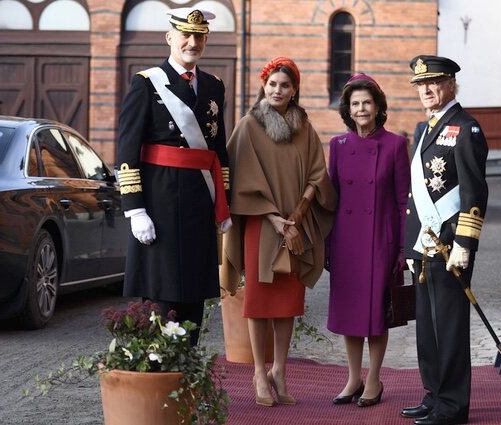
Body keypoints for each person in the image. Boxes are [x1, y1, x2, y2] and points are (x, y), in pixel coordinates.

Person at [221, 56, 336, 407]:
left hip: (295, 226)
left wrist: (299, 213)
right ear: (264, 85)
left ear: (294, 90)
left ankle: (280, 371)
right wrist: (274, 219)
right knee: (258, 301)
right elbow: (239, 179)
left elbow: (318, 173)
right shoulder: (248, 126)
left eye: (285, 85)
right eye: (272, 84)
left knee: (288, 302)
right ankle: (258, 371)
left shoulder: (305, 128)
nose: (278, 90)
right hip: (261, 224)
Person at [115, 7, 231, 345]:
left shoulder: (213, 86)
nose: (192, 42)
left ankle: (187, 374)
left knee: (194, 293)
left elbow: (217, 150)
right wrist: (135, 209)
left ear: (206, 40)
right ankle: (158, 377)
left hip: (198, 202)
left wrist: (223, 201)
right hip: (159, 203)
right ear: (170, 38)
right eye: (186, 35)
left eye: (199, 36)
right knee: (160, 296)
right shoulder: (146, 83)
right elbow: (127, 150)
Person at [401, 56, 489, 425]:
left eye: (434, 83)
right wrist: (410, 247)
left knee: (450, 328)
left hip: (450, 246)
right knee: (428, 328)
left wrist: (465, 246)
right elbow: (415, 194)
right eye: (421, 85)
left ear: (452, 84)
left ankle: (452, 407)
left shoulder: (466, 129)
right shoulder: (427, 127)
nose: (426, 90)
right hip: (425, 244)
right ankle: (434, 394)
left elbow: (474, 192)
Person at [325, 73, 410, 408]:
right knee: (349, 311)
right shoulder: (338, 146)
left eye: (367, 103)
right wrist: (328, 244)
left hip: (380, 239)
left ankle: (374, 379)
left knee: (376, 312)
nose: (361, 109)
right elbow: (332, 200)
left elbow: (404, 200)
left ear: (377, 106)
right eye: (355, 103)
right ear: (348, 109)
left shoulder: (394, 145)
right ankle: (352, 378)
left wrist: (403, 247)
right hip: (346, 240)